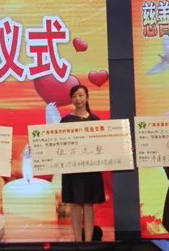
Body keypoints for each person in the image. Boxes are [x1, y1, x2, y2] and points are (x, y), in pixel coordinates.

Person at [60, 84, 106, 242]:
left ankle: (88, 242)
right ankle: (77, 241)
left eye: (80, 95)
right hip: (72, 170)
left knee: (88, 205)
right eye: (74, 96)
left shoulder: (95, 120)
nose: (77, 99)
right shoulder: (65, 121)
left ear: (87, 97)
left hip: (91, 169)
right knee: (75, 205)